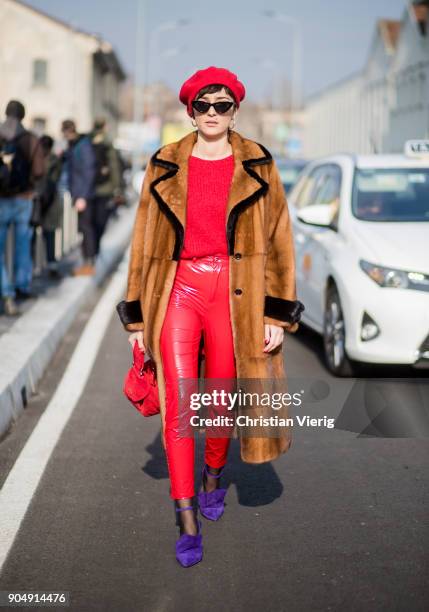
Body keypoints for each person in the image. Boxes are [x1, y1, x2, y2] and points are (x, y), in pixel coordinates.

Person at [116, 66, 305, 568]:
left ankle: (213, 476)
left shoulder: (259, 164)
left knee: (220, 398)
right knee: (180, 403)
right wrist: (136, 321)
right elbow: (142, 243)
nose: (214, 113)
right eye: (205, 105)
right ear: (191, 112)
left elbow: (280, 239)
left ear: (235, 110)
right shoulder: (164, 164)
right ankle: (186, 517)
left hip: (235, 294)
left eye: (223, 104)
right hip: (177, 289)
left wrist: (276, 313)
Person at [0, 100, 45, 316]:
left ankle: (6, 292)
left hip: (1, 200)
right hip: (24, 199)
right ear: (23, 115)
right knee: (22, 246)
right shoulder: (31, 139)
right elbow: (39, 171)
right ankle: (22, 286)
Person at [60, 119, 97, 276]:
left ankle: (89, 264)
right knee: (82, 228)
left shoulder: (83, 146)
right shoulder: (74, 145)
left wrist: (82, 196)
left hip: (84, 195)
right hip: (78, 193)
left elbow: (89, 171)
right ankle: (87, 262)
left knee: (86, 228)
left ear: (69, 131)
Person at [89, 117, 122, 254]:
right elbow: (114, 165)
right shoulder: (107, 142)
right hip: (105, 189)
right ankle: (95, 248)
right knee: (101, 222)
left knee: (90, 222)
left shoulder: (87, 140)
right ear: (104, 126)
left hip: (88, 187)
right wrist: (117, 187)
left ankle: (91, 250)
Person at [35, 135, 64, 279]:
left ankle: (50, 266)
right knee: (42, 236)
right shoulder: (48, 159)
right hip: (44, 201)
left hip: (47, 202)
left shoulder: (49, 160)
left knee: (48, 235)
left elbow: (52, 182)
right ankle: (41, 265)